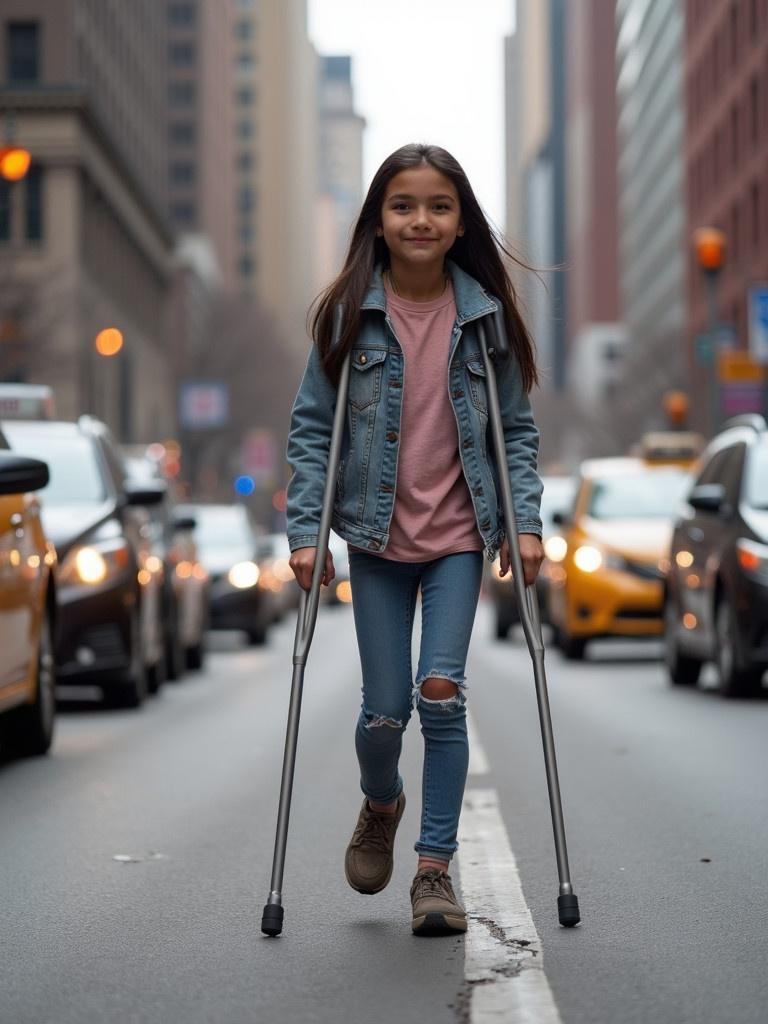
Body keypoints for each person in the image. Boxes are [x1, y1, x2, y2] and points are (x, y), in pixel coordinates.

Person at [286, 143, 544, 936]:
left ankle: (434, 871)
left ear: (461, 219)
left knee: (440, 694)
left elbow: (516, 432)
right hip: (374, 539)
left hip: (460, 538)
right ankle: (381, 802)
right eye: (404, 205)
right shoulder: (346, 314)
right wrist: (306, 531)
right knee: (384, 714)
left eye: (438, 205)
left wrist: (525, 523)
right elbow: (310, 432)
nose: (421, 219)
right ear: (379, 219)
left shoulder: (486, 321)